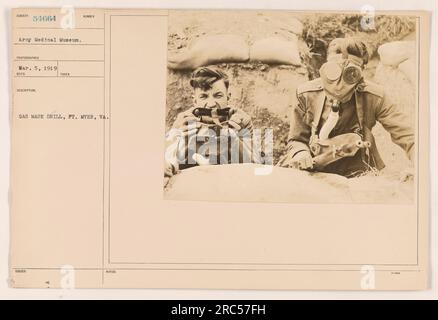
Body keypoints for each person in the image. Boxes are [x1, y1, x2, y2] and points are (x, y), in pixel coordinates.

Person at [279, 37, 414, 179]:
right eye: (333, 72)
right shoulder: (305, 94)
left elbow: (409, 135)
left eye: (350, 74)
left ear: (361, 74)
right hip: (314, 171)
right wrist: (301, 153)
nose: (339, 85)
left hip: (360, 174)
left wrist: (421, 164)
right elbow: (296, 139)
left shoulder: (374, 97)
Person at [164, 66, 256, 180]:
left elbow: (255, 164)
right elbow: (167, 161)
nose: (211, 103)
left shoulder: (242, 120)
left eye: (218, 96)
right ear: (195, 100)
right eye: (204, 96)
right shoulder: (184, 120)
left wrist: (235, 142)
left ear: (228, 97)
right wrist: (183, 143)